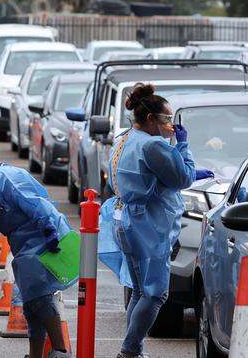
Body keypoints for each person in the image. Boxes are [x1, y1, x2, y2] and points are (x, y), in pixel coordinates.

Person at [98, 83, 214, 358]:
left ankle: (134, 350)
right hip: (146, 226)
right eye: (167, 119)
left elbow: (156, 175)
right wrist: (183, 146)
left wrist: (185, 167)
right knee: (156, 293)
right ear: (150, 118)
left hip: (126, 219)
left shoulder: (124, 138)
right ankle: (128, 351)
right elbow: (181, 177)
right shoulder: (153, 145)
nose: (171, 126)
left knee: (140, 291)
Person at [0, 137, 74, 358]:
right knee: (31, 304)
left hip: (41, 240)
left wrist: (50, 232)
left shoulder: (7, 178)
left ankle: (60, 351)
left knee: (40, 298)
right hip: (23, 247)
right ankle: (36, 354)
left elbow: (37, 205)